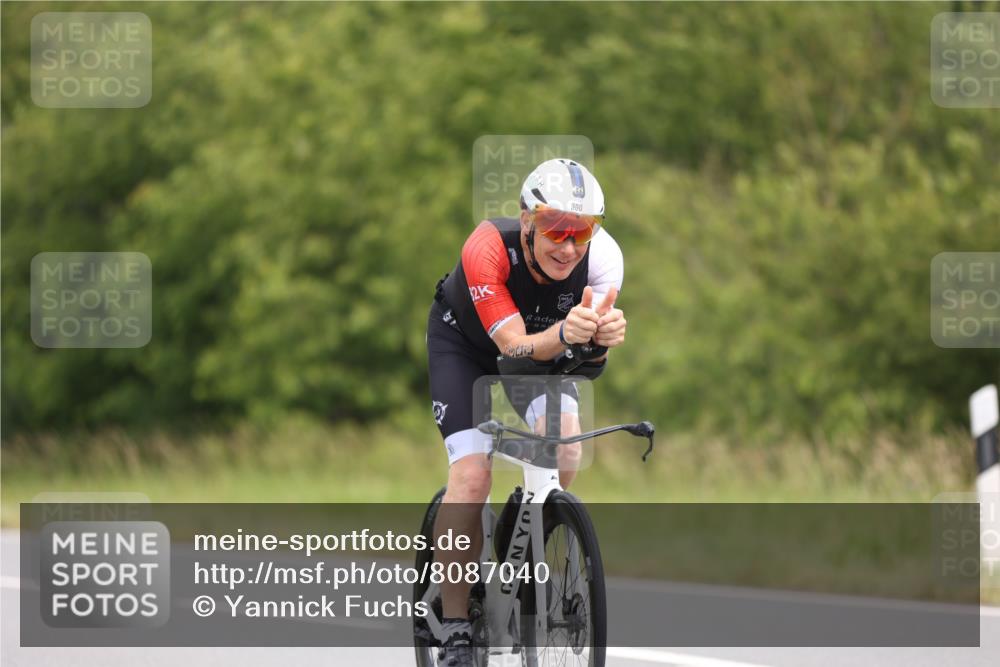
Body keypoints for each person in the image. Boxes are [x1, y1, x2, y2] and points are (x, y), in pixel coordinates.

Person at [425, 158, 626, 666]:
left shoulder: (603, 260)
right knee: (471, 478)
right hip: (467, 346)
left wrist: (598, 343)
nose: (568, 246)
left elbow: (585, 365)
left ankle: (518, 526)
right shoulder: (488, 247)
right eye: (556, 228)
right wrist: (565, 334)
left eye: (581, 232)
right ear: (528, 220)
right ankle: (453, 629)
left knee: (566, 450)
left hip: (541, 348)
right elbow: (513, 347)